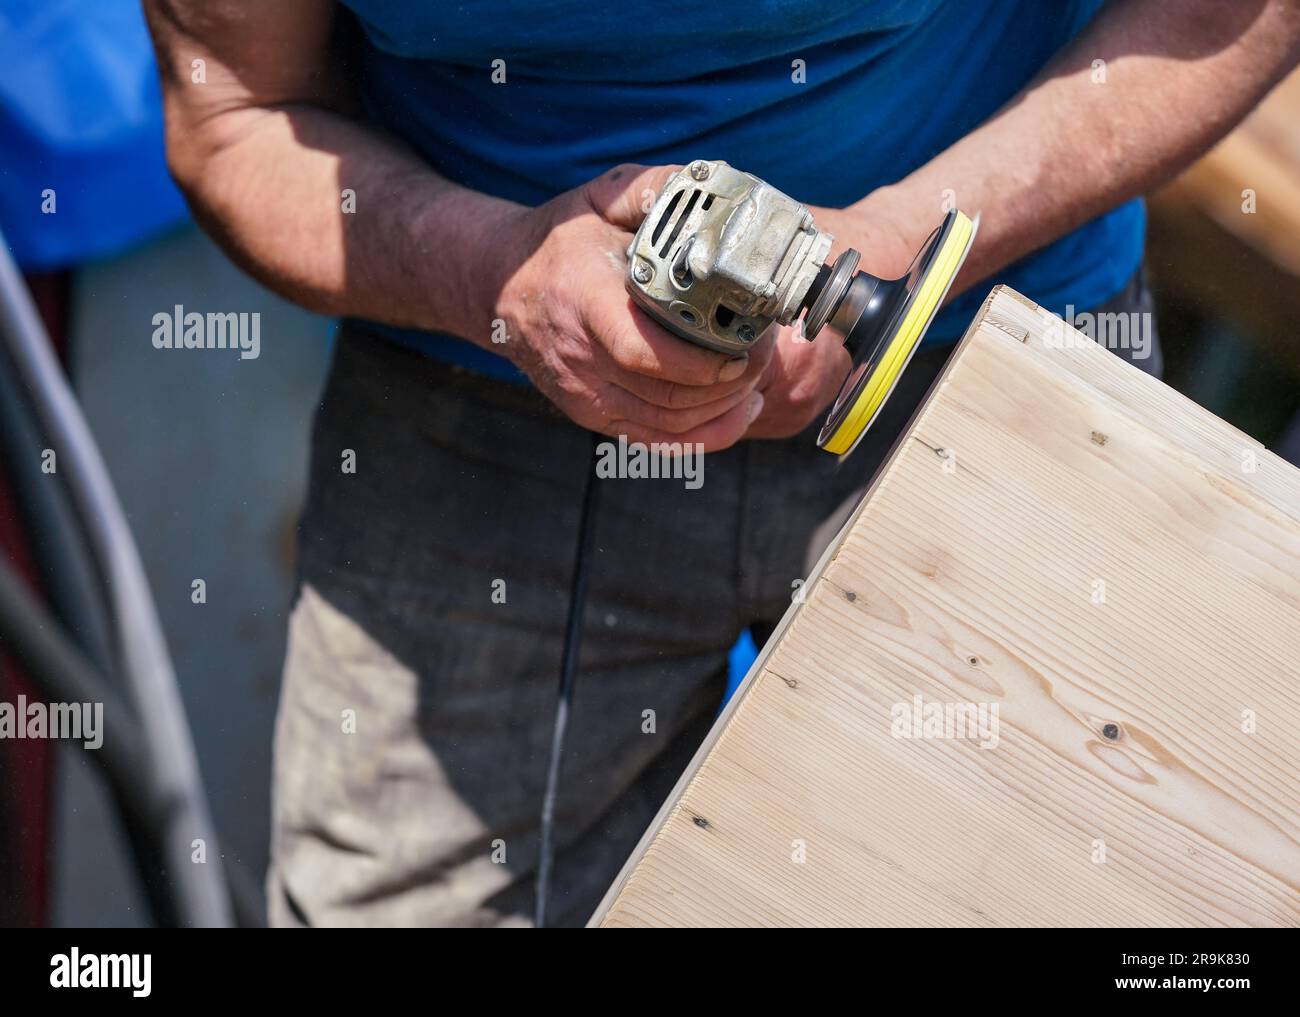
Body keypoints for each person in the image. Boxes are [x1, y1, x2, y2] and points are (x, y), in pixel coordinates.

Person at [143, 0, 1300, 926]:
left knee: (1067, 878)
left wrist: (901, 246)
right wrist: (488, 273)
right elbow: (236, 113)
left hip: (982, 350)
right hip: (473, 404)